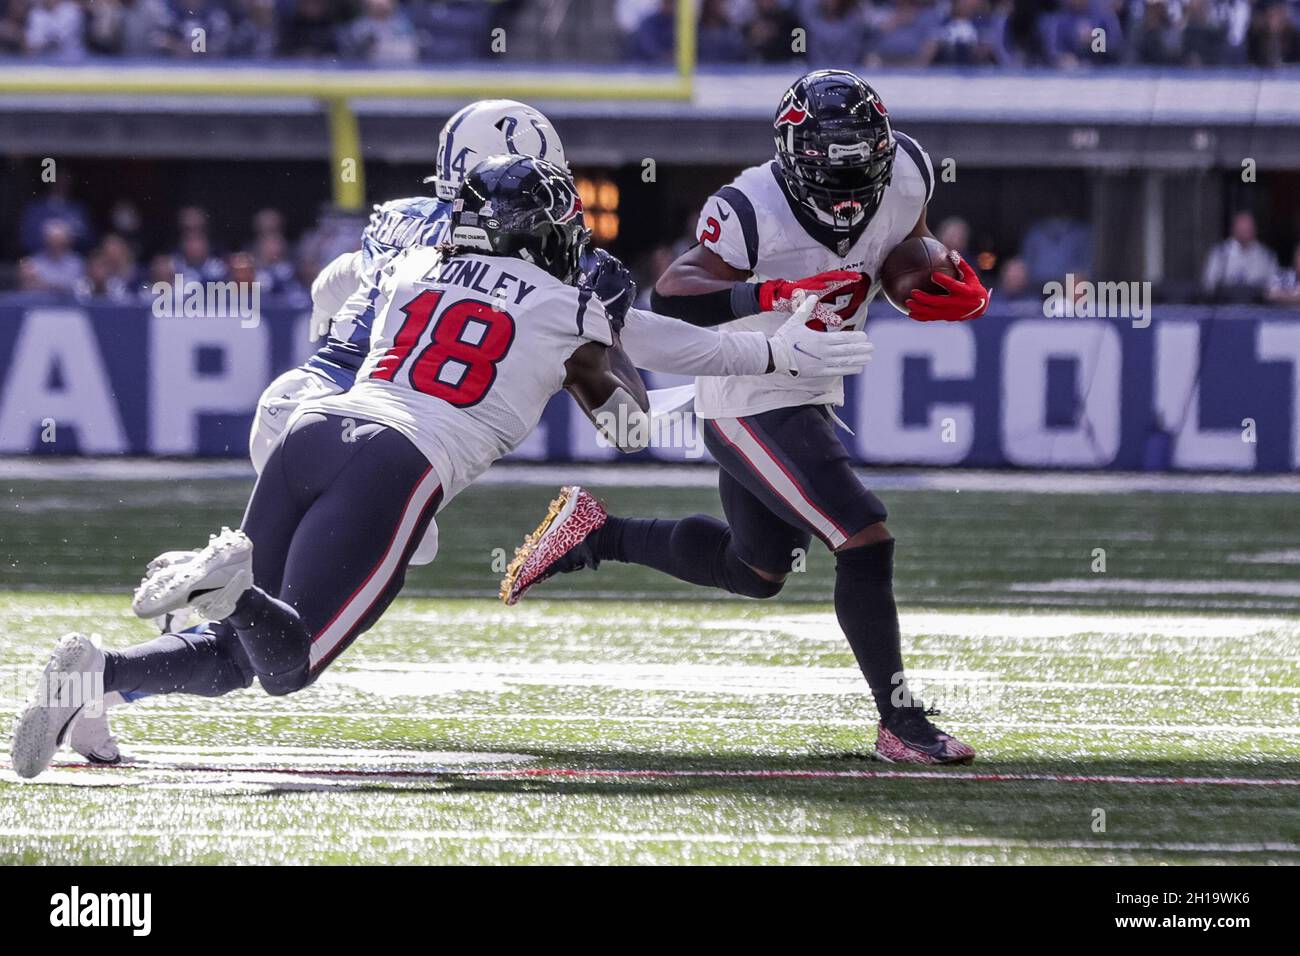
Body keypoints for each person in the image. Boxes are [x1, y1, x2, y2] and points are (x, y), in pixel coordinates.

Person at [10, 156, 652, 780]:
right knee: (291, 665)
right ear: (534, 231)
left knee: (242, 652)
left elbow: (349, 289)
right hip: (398, 461)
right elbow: (629, 428)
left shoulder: (419, 263)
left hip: (313, 432)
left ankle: (99, 673)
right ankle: (231, 589)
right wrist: (605, 337)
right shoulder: (565, 308)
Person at [501, 70, 989, 765]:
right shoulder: (751, 206)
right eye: (833, 180)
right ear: (793, 161)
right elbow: (673, 291)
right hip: (749, 387)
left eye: (861, 178)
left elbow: (908, 240)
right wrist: (773, 290)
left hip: (813, 380)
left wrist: (933, 271)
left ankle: (596, 533)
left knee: (756, 569)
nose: (849, 199)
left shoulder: (908, 170)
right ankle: (901, 723)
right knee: (863, 535)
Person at [1202, 210, 1278, 299]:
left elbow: (1275, 288)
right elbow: (1208, 284)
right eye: (1241, 228)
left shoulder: (1267, 256)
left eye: (1247, 229)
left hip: (1257, 307)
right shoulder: (1219, 254)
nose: (1244, 232)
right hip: (1225, 307)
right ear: (1233, 229)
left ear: (1254, 230)